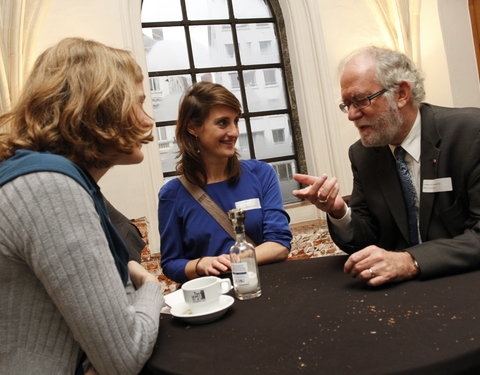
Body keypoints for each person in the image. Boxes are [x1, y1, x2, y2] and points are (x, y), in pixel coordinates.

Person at [0, 37, 164, 375]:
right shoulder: (49, 188)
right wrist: (151, 286)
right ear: (100, 106)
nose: (148, 122)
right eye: (137, 104)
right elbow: (124, 356)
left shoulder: (32, 177)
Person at [293, 46, 480, 287]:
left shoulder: (470, 134)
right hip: (401, 292)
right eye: (346, 104)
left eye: (360, 100)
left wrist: (410, 260)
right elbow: (366, 239)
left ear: (401, 93)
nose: (351, 115)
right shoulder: (363, 154)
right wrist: (339, 212)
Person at [158, 81, 292, 283]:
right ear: (193, 127)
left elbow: (279, 244)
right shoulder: (172, 194)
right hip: (212, 299)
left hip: (265, 289)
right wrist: (200, 264)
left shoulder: (261, 174)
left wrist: (233, 261)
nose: (234, 132)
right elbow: (171, 263)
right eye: (223, 123)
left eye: (235, 121)